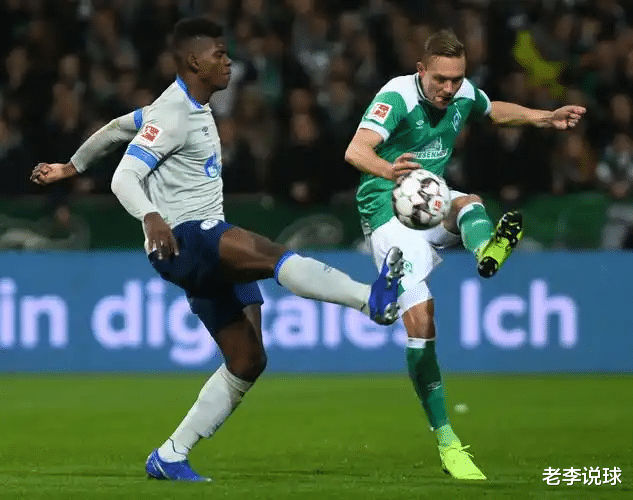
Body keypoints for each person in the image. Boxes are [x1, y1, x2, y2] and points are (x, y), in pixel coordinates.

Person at [31, 18, 406, 482]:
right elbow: (123, 176)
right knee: (271, 255)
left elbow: (114, 128)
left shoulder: (179, 108)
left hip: (200, 249)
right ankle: (372, 300)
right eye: (220, 55)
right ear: (194, 61)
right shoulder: (173, 115)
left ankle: (170, 454)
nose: (228, 62)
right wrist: (150, 215)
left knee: (248, 360)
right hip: (185, 239)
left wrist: (70, 167)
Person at [344, 29, 586, 480]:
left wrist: (544, 117)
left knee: (469, 203)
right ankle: (447, 441)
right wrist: (388, 170)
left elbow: (493, 110)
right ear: (421, 70)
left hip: (429, 199)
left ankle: (485, 250)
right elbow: (356, 149)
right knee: (422, 322)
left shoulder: (462, 94)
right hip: (386, 209)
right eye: (440, 79)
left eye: (456, 79)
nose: (449, 88)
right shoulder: (396, 96)